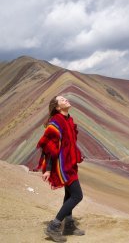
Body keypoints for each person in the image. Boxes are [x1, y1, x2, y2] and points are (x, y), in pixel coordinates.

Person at [36, 95, 85, 242]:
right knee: (77, 196)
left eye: (65, 98)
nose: (66, 100)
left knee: (69, 195)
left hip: (70, 163)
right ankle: (54, 226)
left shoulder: (68, 119)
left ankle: (69, 225)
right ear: (57, 107)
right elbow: (50, 147)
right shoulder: (56, 121)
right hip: (62, 165)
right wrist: (49, 169)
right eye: (62, 100)